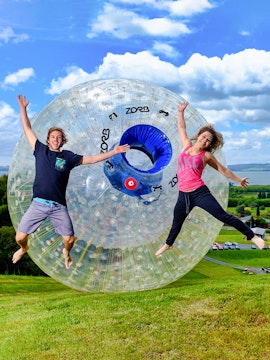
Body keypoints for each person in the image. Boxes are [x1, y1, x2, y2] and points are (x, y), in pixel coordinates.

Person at [12, 95, 130, 269]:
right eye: (53, 136)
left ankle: (66, 252)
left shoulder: (68, 157)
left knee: (69, 239)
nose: (56, 139)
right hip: (38, 203)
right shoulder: (40, 150)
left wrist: (113, 152)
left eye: (59, 137)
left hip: (58, 206)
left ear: (63, 140)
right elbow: (27, 128)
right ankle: (24, 248)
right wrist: (23, 108)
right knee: (19, 238)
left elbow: (91, 159)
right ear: (48, 139)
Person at [155, 102, 265, 256]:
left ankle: (253, 236)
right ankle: (168, 244)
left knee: (223, 216)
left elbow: (223, 170)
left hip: (200, 193)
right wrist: (180, 112)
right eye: (204, 137)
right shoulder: (186, 146)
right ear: (199, 135)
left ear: (210, 145)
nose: (204, 140)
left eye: (208, 140)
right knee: (177, 222)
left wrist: (239, 179)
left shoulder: (206, 156)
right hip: (183, 194)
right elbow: (181, 128)